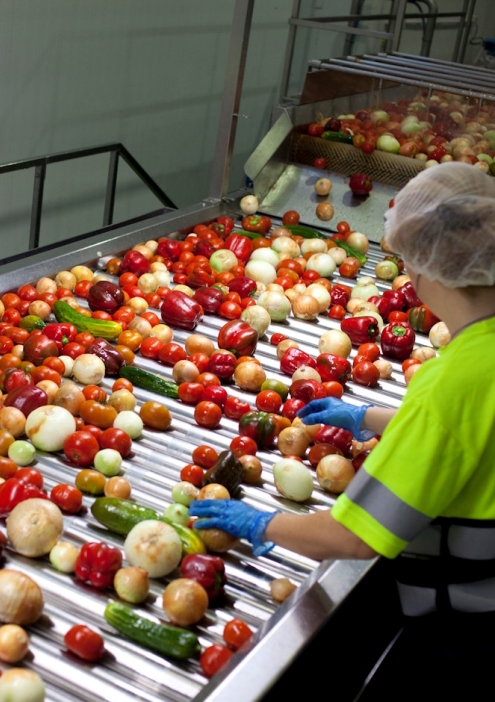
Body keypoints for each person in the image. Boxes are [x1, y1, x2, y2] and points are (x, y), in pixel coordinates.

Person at [189, 161, 495, 695]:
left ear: (426, 269)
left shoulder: (451, 385)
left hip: (471, 632)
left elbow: (354, 539)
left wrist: (260, 524)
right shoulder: (479, 357)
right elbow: (473, 429)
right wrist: (365, 416)